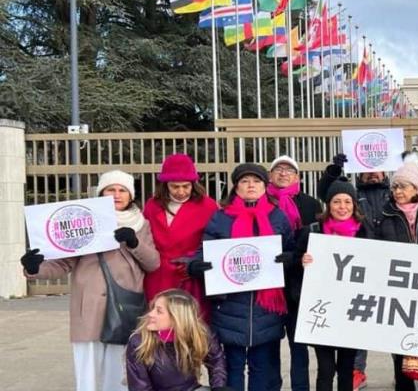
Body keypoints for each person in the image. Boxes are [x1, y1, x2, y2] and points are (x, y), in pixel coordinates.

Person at [21, 170, 160, 391]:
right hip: (88, 307)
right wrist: (34, 268)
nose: (116, 194)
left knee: (119, 375)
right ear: (101, 193)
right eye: (110, 189)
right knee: (87, 376)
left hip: (124, 307)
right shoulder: (83, 221)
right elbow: (63, 264)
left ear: (131, 195)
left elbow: (153, 263)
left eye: (122, 190)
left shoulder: (141, 224)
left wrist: (134, 242)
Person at [187, 163, 296, 391]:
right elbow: (204, 249)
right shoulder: (221, 218)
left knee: (262, 368)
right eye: (245, 181)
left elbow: (291, 248)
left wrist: (289, 259)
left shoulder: (278, 217)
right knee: (232, 368)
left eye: (256, 181)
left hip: (266, 307)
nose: (251, 186)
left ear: (265, 186)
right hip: (229, 306)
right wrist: (196, 265)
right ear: (236, 187)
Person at [373, 154, 418, 391]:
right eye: (394, 186)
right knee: (400, 351)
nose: (397, 191)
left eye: (402, 186)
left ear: (417, 188)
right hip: (397, 292)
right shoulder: (385, 216)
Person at [298, 180, 374, 391]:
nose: (342, 207)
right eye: (337, 201)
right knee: (325, 369)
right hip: (322, 311)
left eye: (347, 202)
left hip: (351, 312)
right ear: (328, 205)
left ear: (354, 205)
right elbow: (293, 261)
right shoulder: (312, 232)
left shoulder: (364, 232)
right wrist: (301, 262)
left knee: (346, 368)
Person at [268, 155, 322, 391]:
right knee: (268, 345)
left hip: (298, 284)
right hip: (268, 284)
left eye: (289, 170)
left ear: (297, 177)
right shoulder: (261, 201)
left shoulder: (311, 204)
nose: (283, 173)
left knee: (298, 344)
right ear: (270, 176)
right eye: (278, 169)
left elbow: (320, 240)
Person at [143, 153, 219, 318]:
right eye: (175, 186)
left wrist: (195, 261)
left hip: (190, 275)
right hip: (159, 275)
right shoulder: (152, 205)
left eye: (186, 186)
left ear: (193, 184)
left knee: (192, 323)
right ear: (165, 185)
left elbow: (216, 240)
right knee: (161, 323)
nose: (181, 191)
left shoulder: (208, 206)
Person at [126, 289, 230, 391]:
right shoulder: (139, 341)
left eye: (159, 311)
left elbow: (216, 360)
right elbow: (140, 387)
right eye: (152, 308)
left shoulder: (199, 332)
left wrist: (218, 387)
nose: (150, 314)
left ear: (176, 318)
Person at [318, 153, 391, 228]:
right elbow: (325, 193)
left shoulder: (395, 196)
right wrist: (334, 170)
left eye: (377, 168)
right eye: (366, 169)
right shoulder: (352, 197)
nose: (372, 172)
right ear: (360, 175)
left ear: (383, 173)